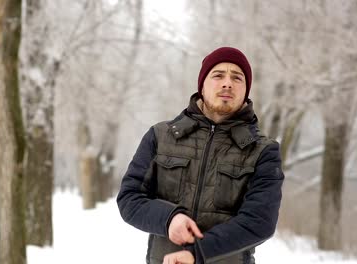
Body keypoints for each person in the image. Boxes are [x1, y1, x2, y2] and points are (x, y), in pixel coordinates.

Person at [117, 47, 284, 264]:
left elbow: (259, 221)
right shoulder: (160, 136)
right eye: (218, 75)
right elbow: (130, 198)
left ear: (246, 90)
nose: (227, 83)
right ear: (202, 85)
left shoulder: (263, 151)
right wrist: (169, 219)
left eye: (237, 77)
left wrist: (197, 254)